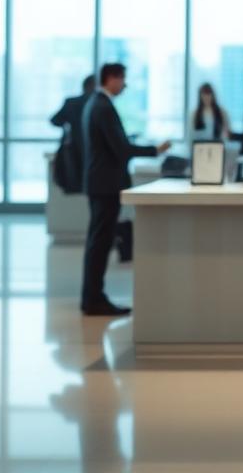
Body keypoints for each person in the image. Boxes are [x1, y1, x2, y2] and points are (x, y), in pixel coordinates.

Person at [81, 63, 170, 316]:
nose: (125, 84)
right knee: (100, 243)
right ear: (111, 78)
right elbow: (120, 149)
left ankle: (93, 297)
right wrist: (155, 150)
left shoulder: (96, 104)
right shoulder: (103, 106)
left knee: (98, 242)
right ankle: (93, 299)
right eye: (122, 79)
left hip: (100, 182)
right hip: (105, 184)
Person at [51, 75, 96, 194]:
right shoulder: (96, 104)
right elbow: (54, 120)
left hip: (76, 151)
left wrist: (67, 125)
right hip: (83, 152)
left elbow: (55, 120)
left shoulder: (72, 102)